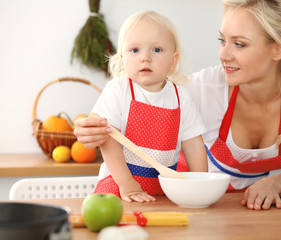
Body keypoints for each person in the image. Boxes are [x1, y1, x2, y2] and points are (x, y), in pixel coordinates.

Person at [74, 0, 281, 210]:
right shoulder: (199, 87)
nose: (223, 54)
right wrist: (88, 129)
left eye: (239, 44)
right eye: (222, 40)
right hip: (181, 200)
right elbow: (143, 92)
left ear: (278, 48)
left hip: (241, 209)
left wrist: (276, 184)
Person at [87, 10, 208, 203]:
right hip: (119, 184)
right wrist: (126, 183)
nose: (145, 58)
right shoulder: (118, 90)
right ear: (122, 59)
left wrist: (202, 186)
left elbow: (194, 146)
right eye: (135, 50)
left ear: (173, 61)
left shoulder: (181, 97)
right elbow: (108, 141)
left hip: (166, 187)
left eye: (157, 50)